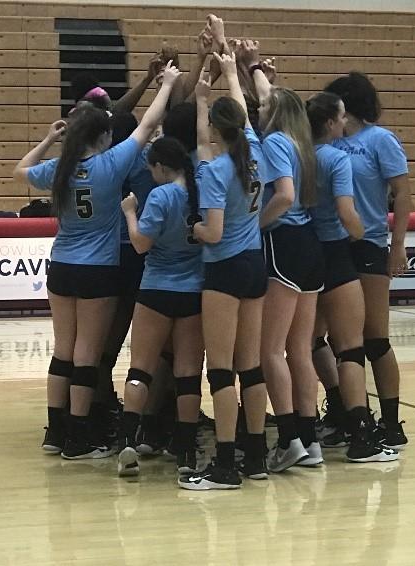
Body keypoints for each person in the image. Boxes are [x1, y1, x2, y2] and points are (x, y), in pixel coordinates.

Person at [13, 62, 181, 460]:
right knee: (88, 353)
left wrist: (49, 140)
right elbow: (147, 124)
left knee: (63, 350)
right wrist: (169, 83)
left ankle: (56, 432)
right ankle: (80, 437)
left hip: (61, 265)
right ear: (104, 136)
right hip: (97, 270)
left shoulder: (60, 168)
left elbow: (19, 171)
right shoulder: (110, 164)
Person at [179, 51, 268, 491]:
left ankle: (225, 464)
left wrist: (193, 227)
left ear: (218, 129)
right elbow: (239, 119)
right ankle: (256, 456)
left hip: (225, 269)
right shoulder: (257, 156)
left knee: (220, 369)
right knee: (251, 367)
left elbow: (212, 233)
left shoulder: (215, 172)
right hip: (255, 264)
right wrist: (212, 93)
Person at [306, 92, 398, 463]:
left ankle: (313, 422)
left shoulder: (293, 154)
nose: (345, 124)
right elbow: (347, 213)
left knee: (309, 341)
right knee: (351, 347)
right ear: (330, 123)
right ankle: (361, 434)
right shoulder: (335, 158)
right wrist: (360, 232)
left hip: (302, 254)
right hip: (336, 253)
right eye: (341, 117)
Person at [247, 42, 325, 474]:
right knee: (300, 348)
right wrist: (254, 67)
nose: (259, 108)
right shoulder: (303, 142)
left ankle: (290, 437)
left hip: (285, 243)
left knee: (269, 350)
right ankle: (310, 441)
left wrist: (256, 225)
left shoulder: (275, 141)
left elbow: (286, 196)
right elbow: (267, 96)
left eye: (265, 105)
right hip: (310, 246)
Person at [325, 72, 410, 453]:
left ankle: (391, 423)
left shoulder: (379, 140)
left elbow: (403, 195)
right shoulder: (331, 140)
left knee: (375, 339)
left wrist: (398, 247)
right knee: (336, 340)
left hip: (370, 243)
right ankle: (347, 414)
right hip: (331, 245)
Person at [117, 137, 205, 478]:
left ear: (162, 167)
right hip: (194, 292)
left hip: (156, 289)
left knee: (140, 370)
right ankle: (185, 451)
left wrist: (128, 213)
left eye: (151, 169)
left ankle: (128, 439)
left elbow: (140, 244)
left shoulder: (162, 195)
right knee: (187, 376)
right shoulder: (200, 193)